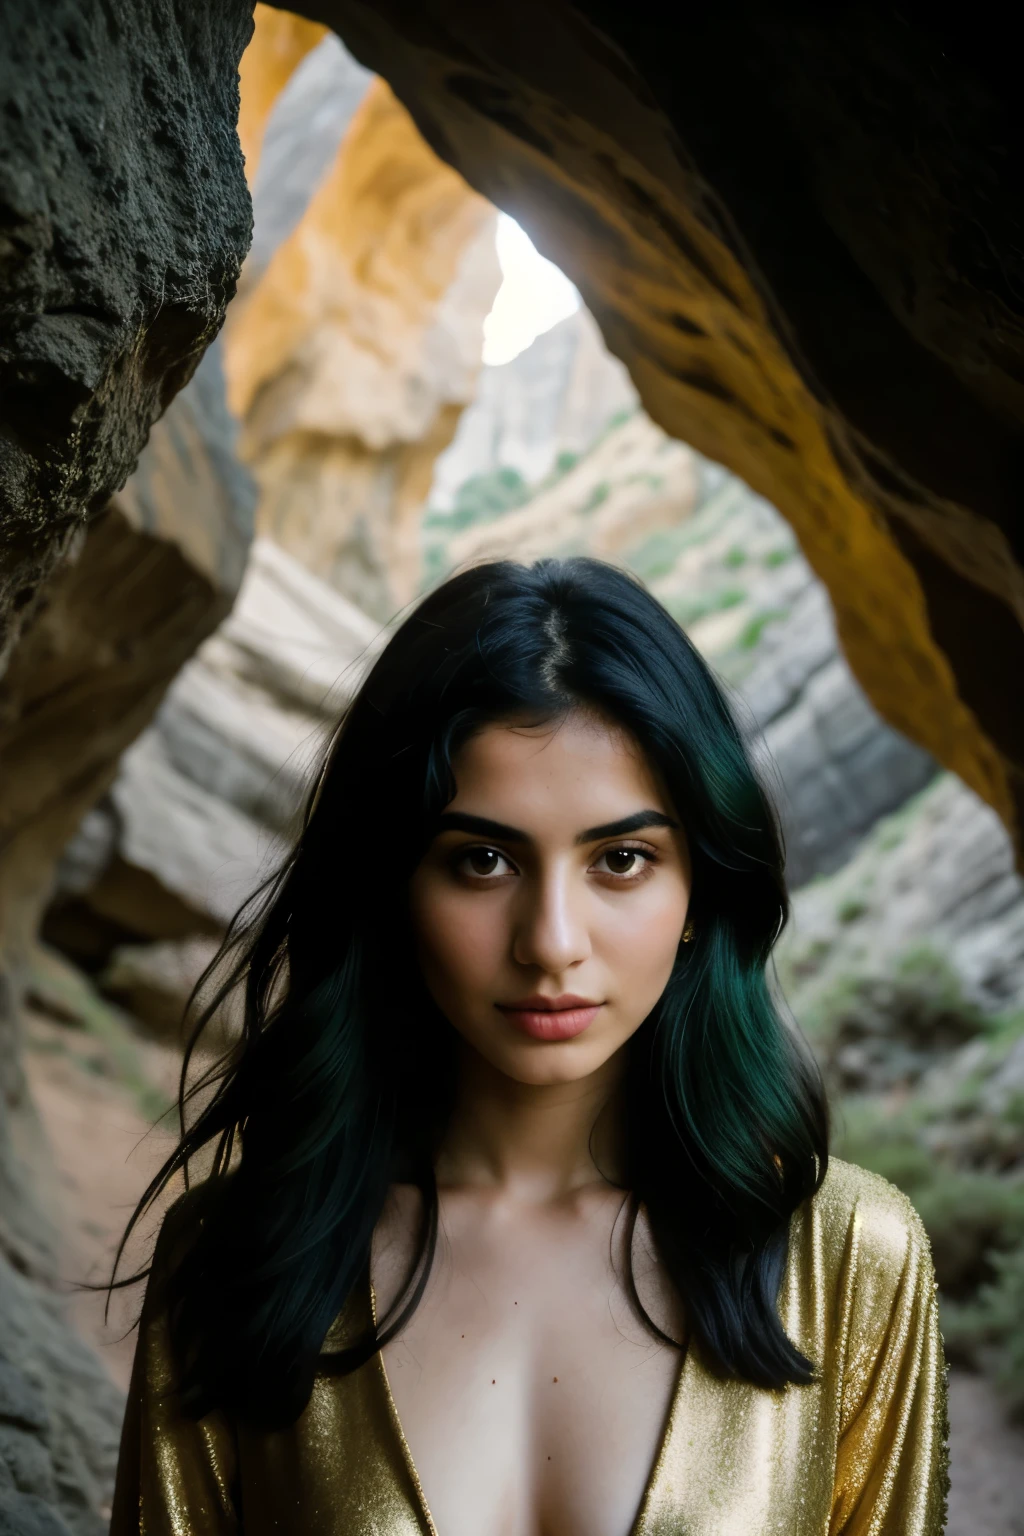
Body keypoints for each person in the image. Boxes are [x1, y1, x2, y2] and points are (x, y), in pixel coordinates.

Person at [109, 557, 948, 1535]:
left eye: (621, 860)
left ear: (697, 896)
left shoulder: (849, 1258)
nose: (551, 941)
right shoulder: (233, 1257)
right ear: (391, 888)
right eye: (482, 860)